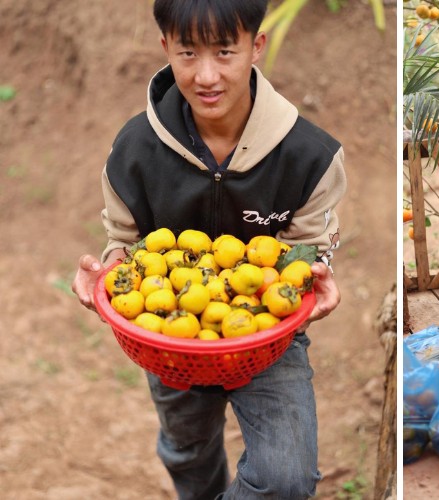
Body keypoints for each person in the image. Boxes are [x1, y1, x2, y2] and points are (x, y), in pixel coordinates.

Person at [70, 1, 346, 498]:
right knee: (188, 453)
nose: (206, 75)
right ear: (165, 49)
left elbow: (308, 249)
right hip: (167, 342)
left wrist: (316, 272)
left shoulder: (310, 155)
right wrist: (107, 269)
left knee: (286, 480)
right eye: (188, 53)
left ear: (256, 46)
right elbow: (125, 243)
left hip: (267, 341)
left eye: (224, 52)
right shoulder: (133, 149)